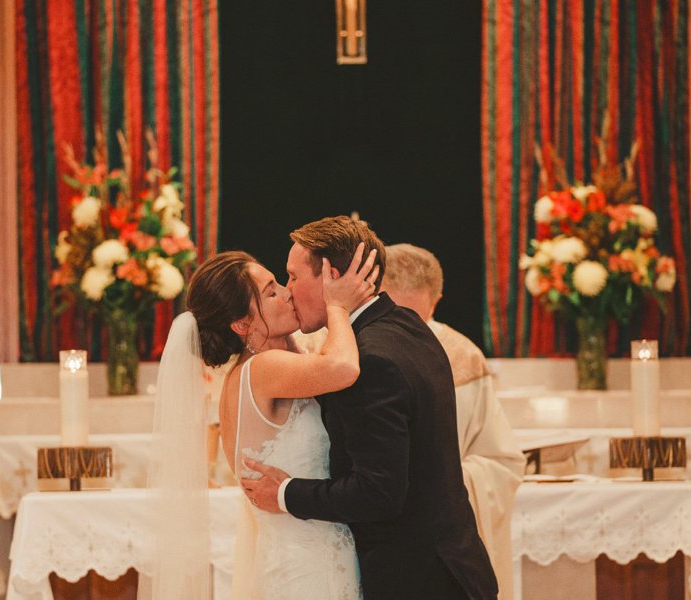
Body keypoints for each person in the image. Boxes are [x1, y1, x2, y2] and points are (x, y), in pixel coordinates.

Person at [242, 217, 498, 600]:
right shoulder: (407, 324)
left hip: (417, 581)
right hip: (453, 568)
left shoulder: (369, 361)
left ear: (331, 275)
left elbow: (379, 493)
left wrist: (285, 493)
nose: (289, 291)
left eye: (293, 277)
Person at [148, 245, 378, 600]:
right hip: (311, 572)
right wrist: (338, 306)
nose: (288, 293)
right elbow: (344, 368)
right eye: (271, 291)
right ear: (242, 324)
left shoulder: (262, 369)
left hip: (304, 559)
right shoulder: (262, 369)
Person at [382, 243, 525, 600]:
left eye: (415, 319)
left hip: (441, 539)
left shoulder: (464, 358)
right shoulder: (345, 347)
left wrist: (440, 482)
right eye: (393, 315)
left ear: (437, 300)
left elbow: (501, 463)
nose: (404, 332)